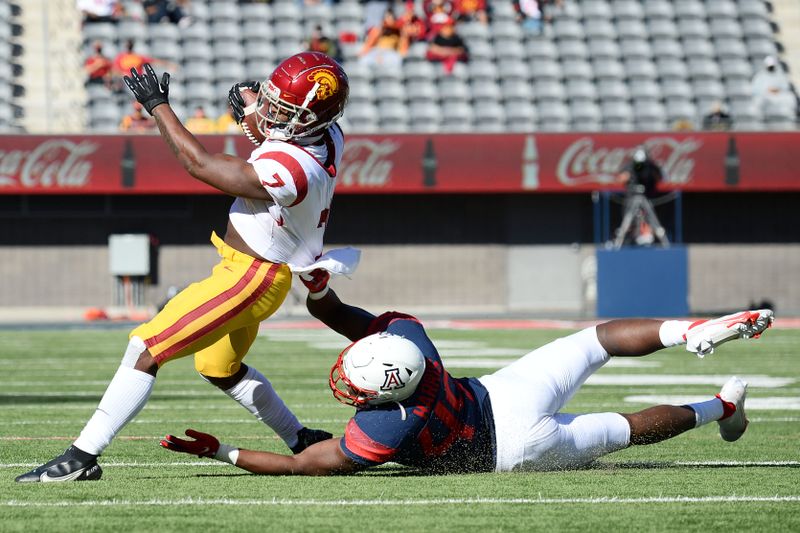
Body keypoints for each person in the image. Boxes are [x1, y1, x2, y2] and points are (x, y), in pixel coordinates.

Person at [15, 51, 352, 483]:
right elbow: (276, 137)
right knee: (218, 367)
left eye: (282, 110)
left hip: (251, 277)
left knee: (144, 347)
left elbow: (202, 164)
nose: (269, 113)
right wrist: (254, 111)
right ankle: (301, 439)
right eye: (271, 102)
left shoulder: (294, 170)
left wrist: (158, 107)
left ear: (309, 119)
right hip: (259, 271)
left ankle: (81, 456)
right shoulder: (328, 134)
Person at [157, 278, 773, 476]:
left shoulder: (382, 426)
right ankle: (685, 333)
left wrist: (225, 451)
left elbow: (299, 466)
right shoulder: (413, 348)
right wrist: (321, 289)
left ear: (376, 393)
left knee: (626, 428)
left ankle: (721, 406)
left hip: (513, 449)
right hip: (501, 393)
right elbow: (344, 319)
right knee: (596, 338)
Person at [613, 146, 668, 248]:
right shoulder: (629, 167)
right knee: (628, 222)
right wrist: (628, 175)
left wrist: (651, 171)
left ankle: (651, 238)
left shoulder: (650, 167)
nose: (640, 167)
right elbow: (620, 178)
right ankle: (625, 241)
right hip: (631, 199)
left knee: (649, 220)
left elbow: (661, 177)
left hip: (647, 198)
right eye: (638, 164)